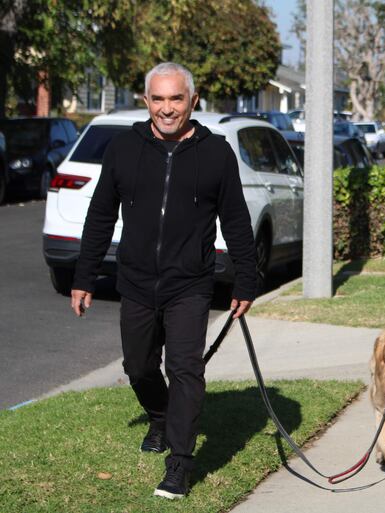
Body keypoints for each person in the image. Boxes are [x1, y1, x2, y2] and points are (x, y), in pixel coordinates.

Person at [70, 62, 257, 499]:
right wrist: (84, 276)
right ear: (146, 100)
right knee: (138, 367)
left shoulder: (217, 153)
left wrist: (246, 281)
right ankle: (159, 414)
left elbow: (236, 220)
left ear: (193, 101)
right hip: (135, 280)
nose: (167, 108)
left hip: (190, 283)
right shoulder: (123, 148)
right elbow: (100, 216)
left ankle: (179, 464)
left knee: (186, 369)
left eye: (176, 99)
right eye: (159, 99)